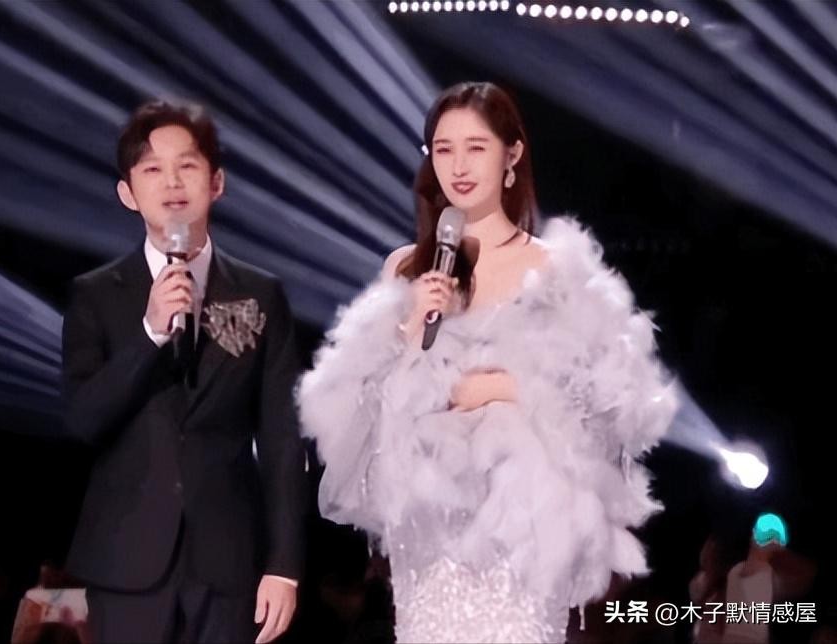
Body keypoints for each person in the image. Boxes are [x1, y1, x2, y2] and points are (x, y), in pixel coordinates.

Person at [297, 82, 678, 643]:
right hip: (428, 537)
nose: (458, 165)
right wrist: (405, 331)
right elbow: (356, 418)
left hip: (521, 540)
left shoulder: (555, 269)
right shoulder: (406, 268)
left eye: (475, 147)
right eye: (443, 149)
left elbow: (607, 404)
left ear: (511, 154)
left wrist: (503, 386)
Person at [61, 100, 306, 643]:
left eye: (187, 165)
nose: (172, 182)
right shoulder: (96, 295)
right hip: (126, 562)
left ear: (216, 182)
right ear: (127, 193)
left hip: (229, 562)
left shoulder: (261, 294)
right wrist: (149, 333)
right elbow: (83, 419)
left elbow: (283, 437)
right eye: (152, 168)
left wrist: (284, 564)